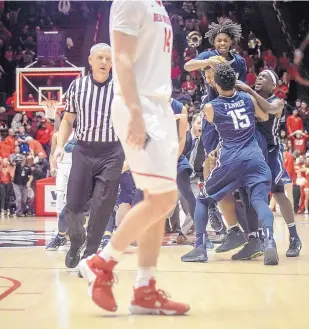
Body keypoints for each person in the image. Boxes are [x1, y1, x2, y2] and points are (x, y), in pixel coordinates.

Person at [79, 0, 190, 315]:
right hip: (139, 105)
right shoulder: (129, 1)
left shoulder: (157, 5)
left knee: (156, 200)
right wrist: (136, 112)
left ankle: (144, 289)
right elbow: (123, 57)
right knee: (164, 199)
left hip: (158, 106)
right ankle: (102, 262)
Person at [53, 43, 124, 268]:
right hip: (83, 151)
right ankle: (76, 241)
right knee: (72, 205)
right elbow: (67, 120)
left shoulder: (122, 89)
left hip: (112, 152)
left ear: (113, 63)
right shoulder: (78, 86)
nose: (104, 62)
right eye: (100, 58)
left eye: (108, 59)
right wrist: (58, 146)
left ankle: (90, 254)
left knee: (102, 206)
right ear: (90, 61)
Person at [200, 63, 279, 266]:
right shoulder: (248, 98)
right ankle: (266, 239)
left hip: (235, 157)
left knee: (204, 198)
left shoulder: (213, 105)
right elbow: (263, 115)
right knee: (258, 201)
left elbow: (205, 123)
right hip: (256, 155)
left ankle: (203, 245)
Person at [236, 69, 302, 257]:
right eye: (258, 75)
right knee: (253, 196)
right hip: (253, 152)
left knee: (278, 192)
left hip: (272, 152)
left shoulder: (278, 102)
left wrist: (248, 90)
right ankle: (258, 238)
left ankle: (294, 237)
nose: (259, 78)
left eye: (264, 77)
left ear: (273, 86)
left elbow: (268, 109)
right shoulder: (249, 100)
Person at [46, 114, 77, 250]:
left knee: (70, 200)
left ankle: (70, 230)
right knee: (59, 197)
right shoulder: (56, 136)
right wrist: (52, 166)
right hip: (62, 167)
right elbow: (52, 153)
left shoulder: (79, 134)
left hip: (75, 167)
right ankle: (60, 231)